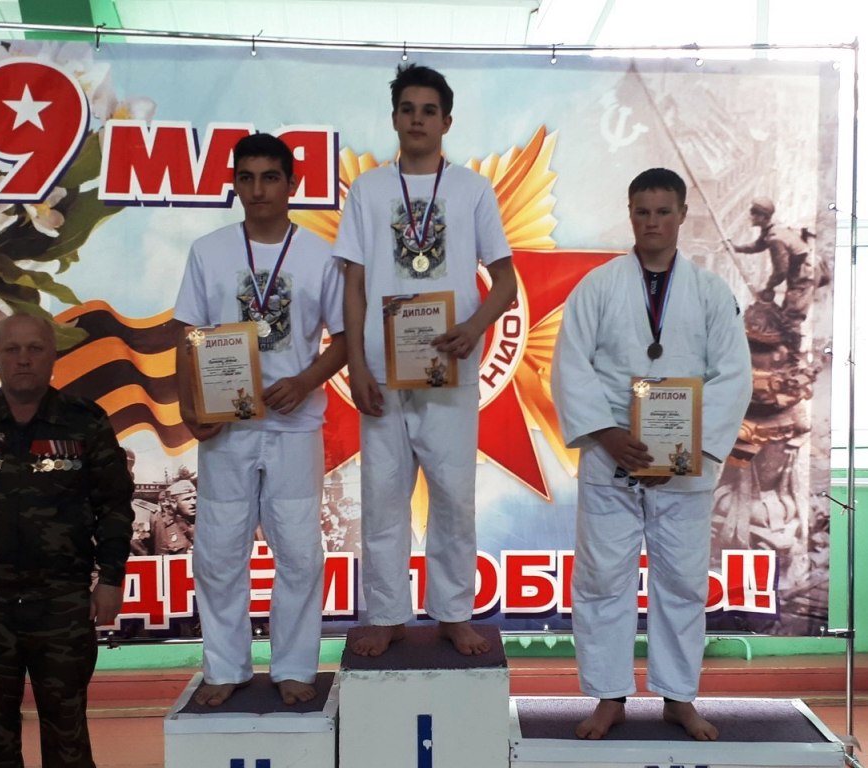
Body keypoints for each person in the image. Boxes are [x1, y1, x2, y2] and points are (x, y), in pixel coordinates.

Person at [553, 168, 752, 741]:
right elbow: (570, 363)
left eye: (664, 211)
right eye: (642, 211)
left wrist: (687, 451)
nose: (652, 223)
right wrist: (605, 431)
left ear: (682, 214)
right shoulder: (597, 286)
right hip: (611, 451)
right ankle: (609, 697)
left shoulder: (711, 292)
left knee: (682, 581)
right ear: (630, 214)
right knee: (602, 578)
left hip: (684, 466)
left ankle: (678, 697)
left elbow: (733, 375)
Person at [333, 64, 516, 657]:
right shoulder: (368, 191)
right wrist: (357, 366)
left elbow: (505, 282)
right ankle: (387, 614)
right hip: (382, 373)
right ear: (394, 118)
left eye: (428, 110)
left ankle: (453, 613)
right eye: (407, 109)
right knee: (383, 496)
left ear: (447, 121)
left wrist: (473, 329)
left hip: (449, 368)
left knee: (454, 495)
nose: (417, 119)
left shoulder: (471, 190)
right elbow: (354, 284)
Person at [173, 132, 346, 707]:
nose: (258, 189)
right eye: (245, 178)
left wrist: (305, 380)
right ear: (234, 184)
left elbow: (345, 340)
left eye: (270, 177)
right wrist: (189, 406)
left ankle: (294, 665)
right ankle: (225, 666)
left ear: (292, 184)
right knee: (219, 551)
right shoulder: (210, 251)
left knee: (299, 551)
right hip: (228, 427)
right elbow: (188, 333)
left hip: (295, 425)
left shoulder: (320, 255)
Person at [0, 313, 134, 767]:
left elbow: (114, 505)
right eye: (11, 349)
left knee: (67, 739)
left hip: (61, 604)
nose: (23, 359)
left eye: (35, 348)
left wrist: (111, 579)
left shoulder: (85, 422)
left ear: (53, 356)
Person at [730, 198, 818, 356]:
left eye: (754, 214)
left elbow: (781, 271)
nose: (751, 216)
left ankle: (793, 358)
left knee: (791, 318)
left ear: (763, 217)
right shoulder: (771, 229)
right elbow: (758, 245)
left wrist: (769, 288)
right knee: (786, 314)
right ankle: (787, 350)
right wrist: (737, 248)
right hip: (800, 271)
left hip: (804, 277)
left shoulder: (775, 238)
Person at [151, 478, 197, 555]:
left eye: (195, 498)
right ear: (173, 503)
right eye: (187, 499)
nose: (193, 502)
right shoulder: (162, 524)